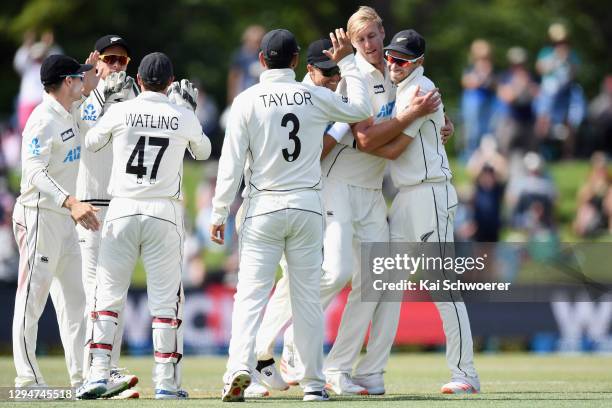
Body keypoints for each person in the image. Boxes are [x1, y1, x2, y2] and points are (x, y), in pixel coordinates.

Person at [210, 28, 372, 402]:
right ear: (297, 61)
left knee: (250, 296)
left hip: (262, 207)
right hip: (305, 207)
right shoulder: (313, 95)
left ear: (262, 60)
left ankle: (238, 370)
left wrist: (219, 211)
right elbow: (363, 110)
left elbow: (231, 164)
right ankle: (314, 383)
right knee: (306, 299)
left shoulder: (247, 100)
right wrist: (348, 61)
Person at [77, 52, 211, 399]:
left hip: (121, 209)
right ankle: (165, 382)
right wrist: (189, 112)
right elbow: (203, 151)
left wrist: (107, 105)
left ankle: (97, 374)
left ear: (138, 80)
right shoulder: (180, 114)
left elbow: (91, 142)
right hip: (163, 212)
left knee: (107, 297)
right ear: (170, 82)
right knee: (165, 303)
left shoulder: (121, 110)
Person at [358, 29, 481, 394]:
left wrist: (357, 143)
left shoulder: (420, 91)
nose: (393, 65)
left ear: (418, 62)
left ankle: (465, 373)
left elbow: (393, 148)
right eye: (391, 58)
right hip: (407, 196)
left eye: (402, 60)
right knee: (387, 285)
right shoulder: (402, 89)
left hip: (430, 194)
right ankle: (371, 372)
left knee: (442, 287)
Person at [12, 53, 100, 389]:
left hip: (65, 219)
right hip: (38, 217)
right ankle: (27, 380)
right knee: (32, 298)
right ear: (66, 82)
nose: (81, 80)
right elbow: (33, 171)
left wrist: (89, 88)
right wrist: (71, 200)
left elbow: (90, 122)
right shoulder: (42, 119)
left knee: (76, 301)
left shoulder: (70, 109)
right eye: (77, 77)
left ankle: (83, 379)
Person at [75, 34, 140, 399]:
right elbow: (84, 126)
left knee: (112, 295)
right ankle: (94, 373)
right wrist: (99, 90)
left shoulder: (132, 97)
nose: (117, 66)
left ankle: (105, 371)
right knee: (95, 296)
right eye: (111, 59)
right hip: (89, 206)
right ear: (96, 60)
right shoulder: (83, 95)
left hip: (120, 205)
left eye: (122, 61)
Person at [460, 39, 497, 161]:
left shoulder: (490, 69)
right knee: (472, 130)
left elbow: (494, 85)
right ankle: (469, 156)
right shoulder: (470, 68)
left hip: (487, 101)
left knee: (486, 130)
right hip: (473, 101)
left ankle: (484, 156)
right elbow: (467, 82)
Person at [226, 25, 266, 104]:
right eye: (255, 42)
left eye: (259, 42)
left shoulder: (263, 55)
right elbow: (233, 77)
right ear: (247, 40)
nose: (257, 45)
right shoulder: (239, 56)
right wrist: (231, 98)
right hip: (243, 94)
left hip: (260, 95)